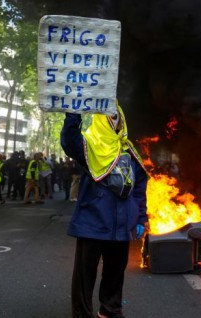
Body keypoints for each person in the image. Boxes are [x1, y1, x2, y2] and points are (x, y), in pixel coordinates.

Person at [61, 103, 148, 318]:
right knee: (85, 274)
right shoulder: (89, 145)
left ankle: (110, 310)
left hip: (121, 225)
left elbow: (139, 188)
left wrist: (140, 217)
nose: (114, 119)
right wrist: (73, 114)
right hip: (93, 221)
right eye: (110, 116)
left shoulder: (128, 150)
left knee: (115, 272)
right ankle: (82, 313)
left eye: (117, 115)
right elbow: (70, 142)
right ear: (101, 119)